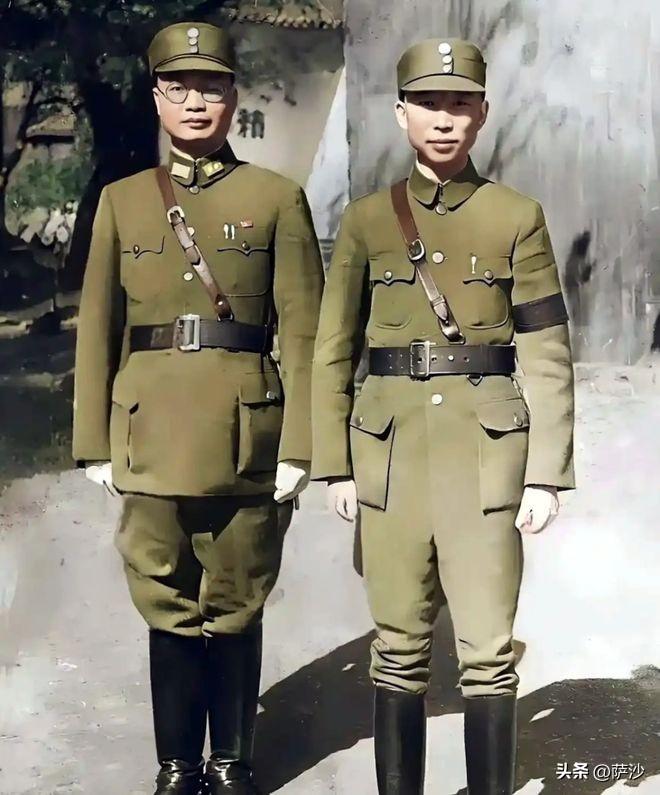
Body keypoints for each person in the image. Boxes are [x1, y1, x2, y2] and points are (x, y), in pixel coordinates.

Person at [311, 38, 575, 794]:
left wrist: (546, 474)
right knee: (397, 647)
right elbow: (333, 349)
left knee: (487, 651)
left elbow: (546, 350)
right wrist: (334, 464)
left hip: (487, 458)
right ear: (401, 115)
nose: (444, 119)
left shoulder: (517, 217)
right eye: (428, 103)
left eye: (460, 104)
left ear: (482, 114)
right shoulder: (366, 222)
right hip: (389, 456)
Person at [73, 21, 323, 795]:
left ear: (232, 96)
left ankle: (232, 762)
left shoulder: (276, 199)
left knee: (237, 598)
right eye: (177, 86)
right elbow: (97, 325)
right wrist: (93, 441)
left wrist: (302, 444)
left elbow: (305, 332)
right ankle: (179, 765)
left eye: (209, 86)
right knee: (166, 598)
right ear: (156, 96)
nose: (193, 101)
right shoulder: (122, 202)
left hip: (247, 434)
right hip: (148, 431)